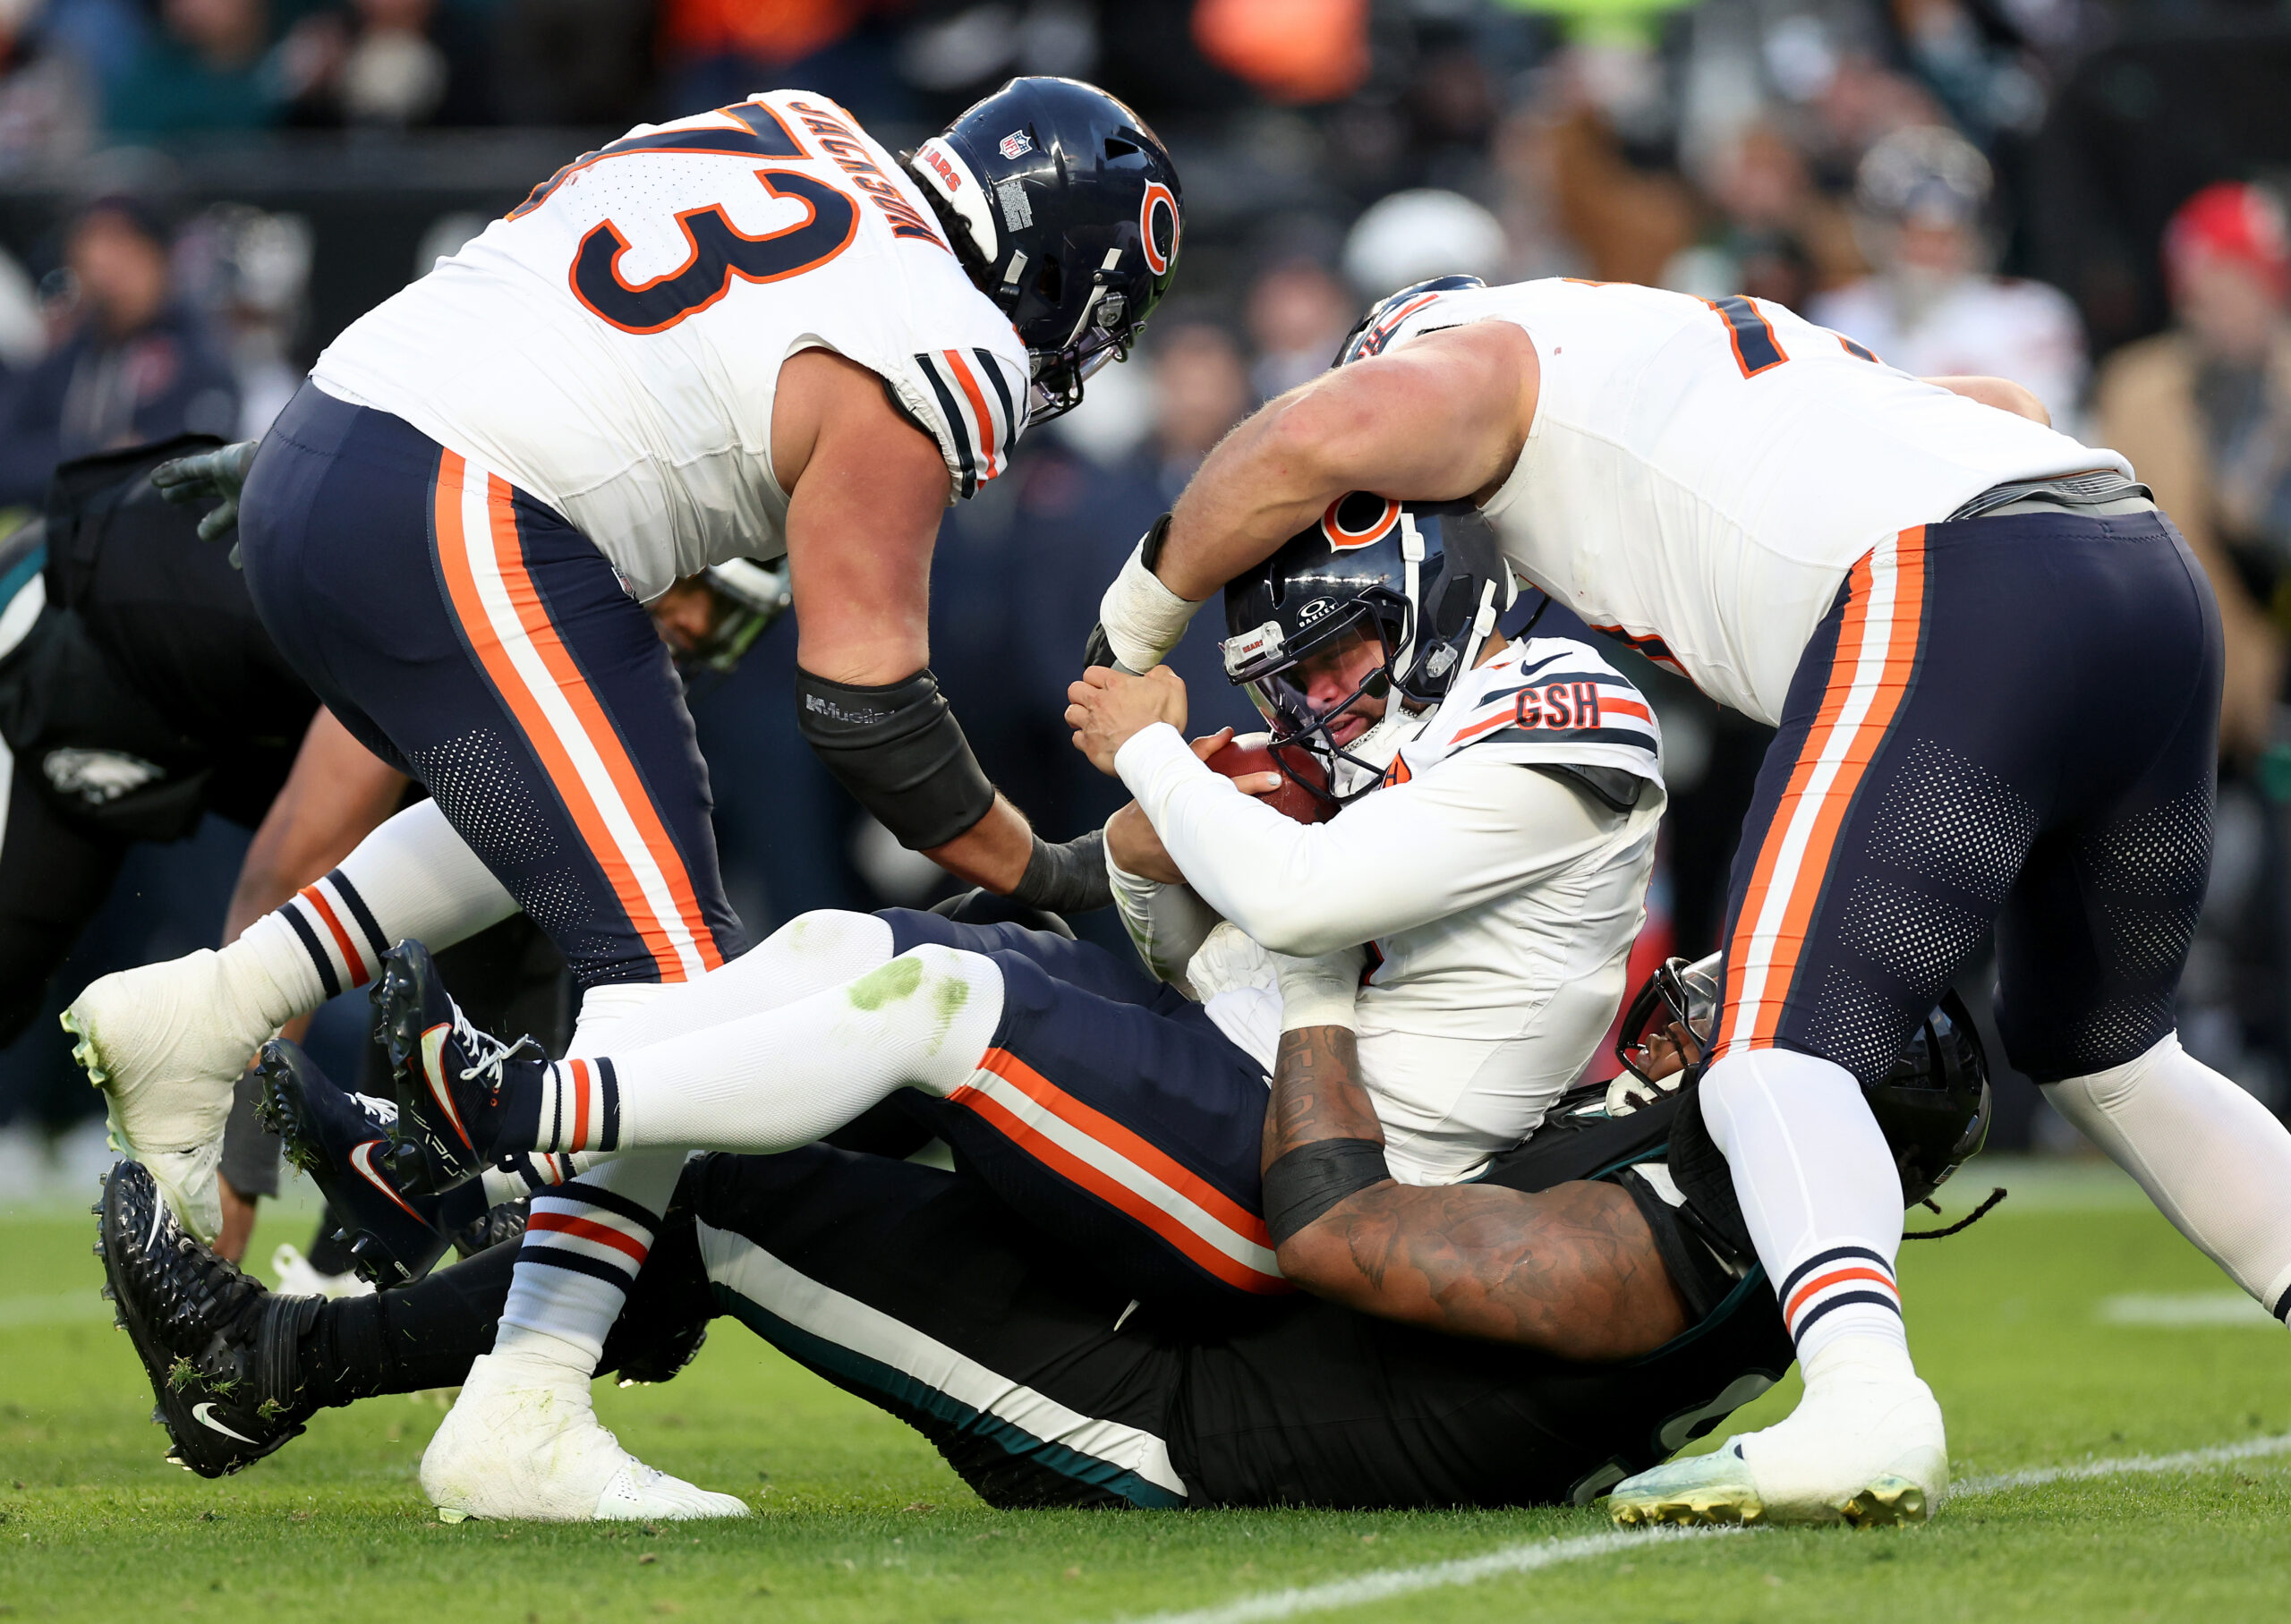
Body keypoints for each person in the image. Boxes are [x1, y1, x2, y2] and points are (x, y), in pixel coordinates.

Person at [66, 76, 1184, 1522]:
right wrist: (1050, 869)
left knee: (579, 822)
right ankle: (522, 1408)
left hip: (331, 437)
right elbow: (869, 713)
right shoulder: (944, 338)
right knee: (676, 989)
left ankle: (213, 1009)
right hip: (459, 499)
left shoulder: (806, 126)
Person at [1081, 270, 2291, 1526]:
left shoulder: (1481, 361)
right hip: (2134, 563)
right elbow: (2004, 404)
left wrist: (1132, 623)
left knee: (1769, 1050)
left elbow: (1308, 434)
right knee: (2111, 1054)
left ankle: (1864, 1397)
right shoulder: (1671, 351)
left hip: (1960, 586)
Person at [94, 957, 1991, 1509]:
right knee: (842, 1088)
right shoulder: (1738, 1215)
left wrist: (1318, 969)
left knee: (733, 1178)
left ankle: (437, 1201)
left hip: (1159, 1419)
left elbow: (1338, 1233)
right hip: (1193, 1331)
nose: (1715, 1012)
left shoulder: (1680, 1238)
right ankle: (330, 1310)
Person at [1810, 125, 2088, 433]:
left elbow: (2045, 430)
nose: (1929, 251)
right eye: (1913, 231)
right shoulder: (1838, 315)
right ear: (1879, 232)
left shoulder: (2032, 315)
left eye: (1946, 235)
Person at [0, 196, 238, 507]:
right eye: (91, 248)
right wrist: (101, 453)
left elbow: (177, 472)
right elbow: (7, 460)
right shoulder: (68, 359)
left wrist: (83, 461)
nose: (104, 267)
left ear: (159, 256)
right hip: (65, 542)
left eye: (123, 247)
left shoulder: (196, 356)